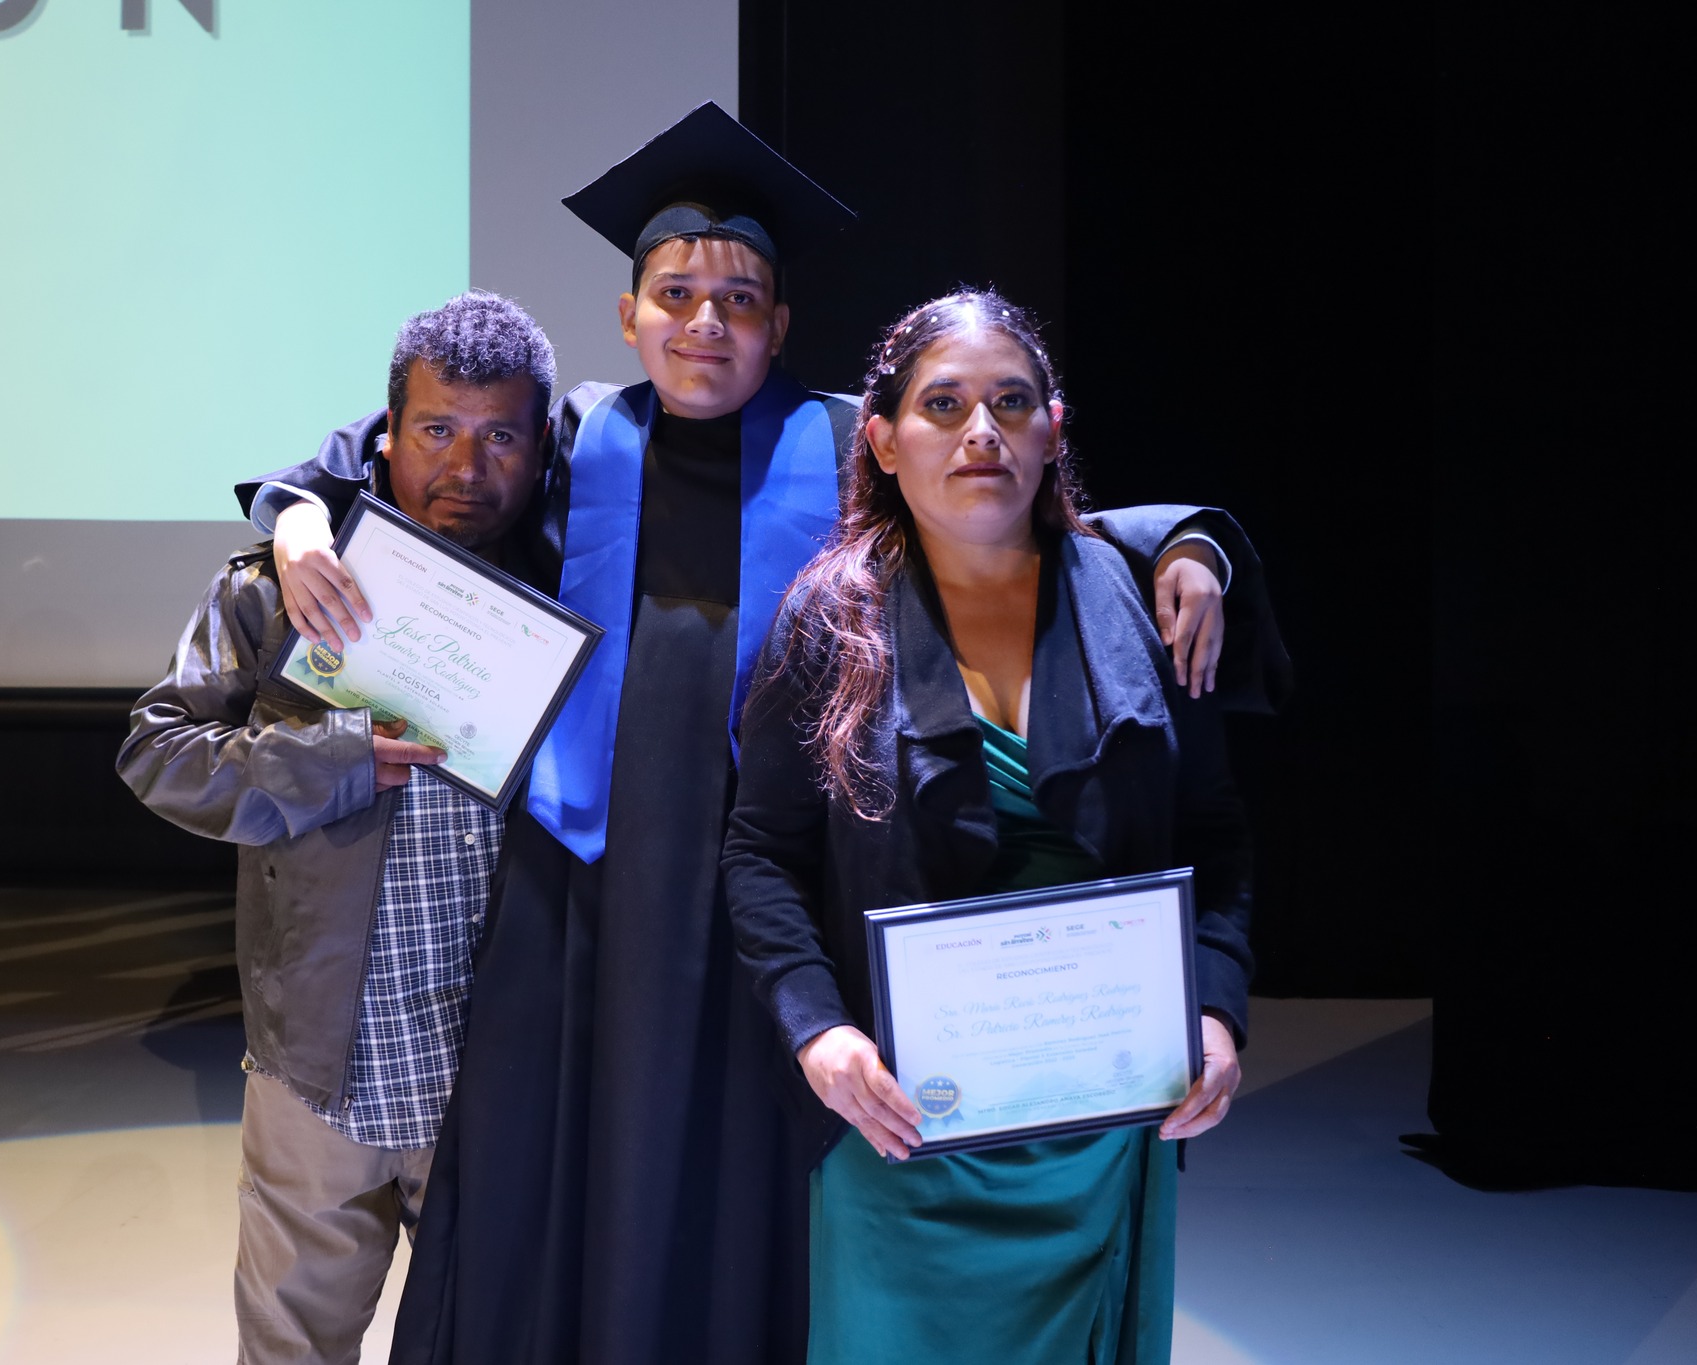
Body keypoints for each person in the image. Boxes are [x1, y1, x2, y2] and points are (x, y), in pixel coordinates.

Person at [244, 106, 1273, 1365]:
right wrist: (300, 512)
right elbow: (408, 453)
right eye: (675, 294)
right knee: (581, 1187)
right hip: (588, 899)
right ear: (628, 315)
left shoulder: (846, 441)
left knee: (767, 1193)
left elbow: (1024, 514)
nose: (704, 323)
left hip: (784, 891)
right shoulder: (576, 439)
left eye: (738, 300)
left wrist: (1189, 541)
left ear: (778, 327)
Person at [720, 289, 1253, 1363]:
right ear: (883, 441)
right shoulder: (829, 618)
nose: (981, 431)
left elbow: (1214, 835)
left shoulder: (1136, 597)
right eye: (943, 404)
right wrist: (819, 1034)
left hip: (1104, 1116)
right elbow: (760, 854)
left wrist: (1214, 1013)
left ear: (1051, 429)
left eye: (1011, 403)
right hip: (903, 1120)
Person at [115, 291, 558, 1365]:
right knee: (292, 1348)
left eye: (500, 436)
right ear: (385, 435)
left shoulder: (571, 596)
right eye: (436, 429)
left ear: (542, 447)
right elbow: (156, 753)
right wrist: (329, 759)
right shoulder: (283, 589)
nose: (466, 465)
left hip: (498, 1068)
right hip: (321, 1061)